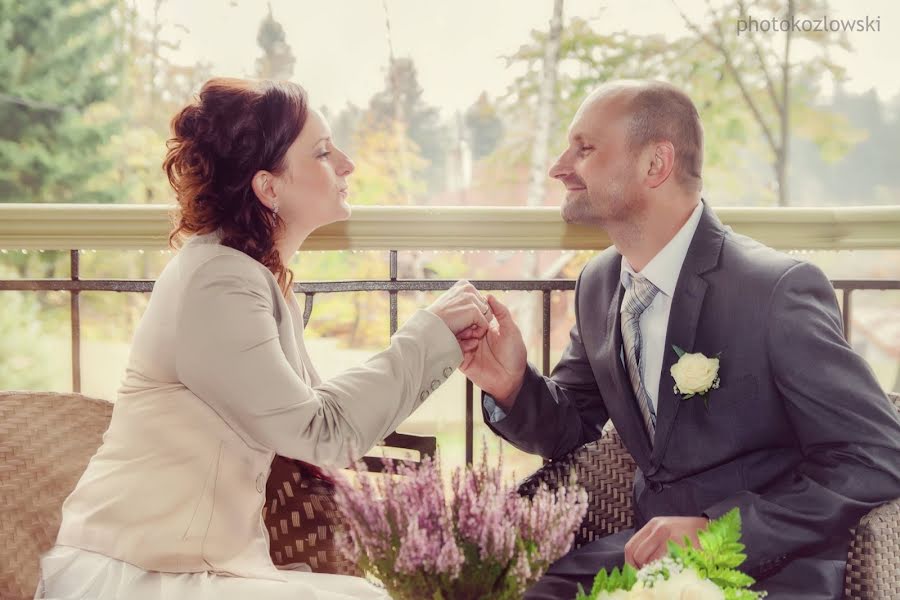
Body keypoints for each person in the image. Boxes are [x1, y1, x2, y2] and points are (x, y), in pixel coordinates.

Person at [36, 77, 493, 600]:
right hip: (137, 574)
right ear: (268, 187)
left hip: (198, 569)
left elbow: (320, 417)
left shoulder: (246, 276)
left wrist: (440, 339)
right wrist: (430, 331)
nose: (347, 164)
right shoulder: (217, 284)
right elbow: (323, 432)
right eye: (323, 153)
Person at [458, 80, 900, 600]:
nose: (559, 166)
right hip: (646, 557)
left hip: (769, 567)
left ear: (655, 164)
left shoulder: (774, 291)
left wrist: (717, 530)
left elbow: (876, 456)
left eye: (584, 149)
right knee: (498, 589)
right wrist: (511, 384)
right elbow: (572, 428)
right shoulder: (599, 283)